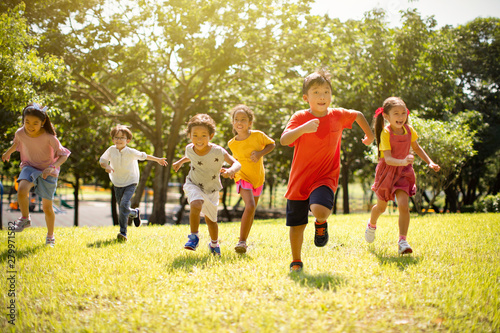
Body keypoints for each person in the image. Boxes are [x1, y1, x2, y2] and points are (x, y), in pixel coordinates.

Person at [280, 69, 375, 272]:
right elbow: (284, 139)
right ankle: (296, 260)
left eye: (326, 91)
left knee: (320, 210)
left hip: (325, 177)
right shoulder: (299, 117)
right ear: (306, 97)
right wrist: (302, 129)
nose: (322, 96)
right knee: (296, 224)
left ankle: (321, 223)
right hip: (299, 180)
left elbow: (357, 115)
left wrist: (370, 136)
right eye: (316, 92)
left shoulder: (337, 115)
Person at [365, 97, 440, 254]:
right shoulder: (386, 133)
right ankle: (371, 224)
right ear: (386, 116)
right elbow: (389, 159)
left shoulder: (409, 130)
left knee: (404, 206)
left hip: (403, 173)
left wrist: (430, 162)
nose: (400, 117)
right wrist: (404, 160)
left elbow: (417, 148)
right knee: (381, 207)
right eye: (396, 113)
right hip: (387, 172)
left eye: (403, 113)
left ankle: (402, 241)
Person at [2, 103, 71, 247]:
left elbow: (63, 155)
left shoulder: (49, 137)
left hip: (48, 171)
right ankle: (25, 218)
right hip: (29, 166)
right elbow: (17, 143)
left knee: (47, 207)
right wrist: (9, 152)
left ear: (43, 122)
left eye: (35, 123)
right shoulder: (20, 133)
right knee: (21, 190)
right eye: (27, 122)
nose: (30, 126)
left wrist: (52, 167)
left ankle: (50, 236)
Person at [173, 114, 241, 256]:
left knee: (211, 221)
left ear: (211, 135)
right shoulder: (189, 149)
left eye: (203, 135)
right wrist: (180, 162)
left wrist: (230, 170)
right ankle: (193, 237)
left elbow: (236, 163)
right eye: (195, 135)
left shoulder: (218, 151)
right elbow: (191, 156)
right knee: (196, 203)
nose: (199, 139)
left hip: (211, 188)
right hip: (193, 183)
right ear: (189, 136)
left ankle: (214, 244)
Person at [99, 124, 167, 242]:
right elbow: (102, 161)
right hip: (117, 182)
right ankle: (134, 213)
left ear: (128, 140)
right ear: (113, 139)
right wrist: (107, 166)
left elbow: (144, 156)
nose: (119, 140)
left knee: (123, 204)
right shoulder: (111, 150)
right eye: (116, 137)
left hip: (131, 182)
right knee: (123, 207)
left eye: (122, 138)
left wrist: (158, 160)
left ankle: (123, 232)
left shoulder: (131, 152)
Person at [228, 105, 275, 253]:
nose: (239, 122)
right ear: (233, 122)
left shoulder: (258, 135)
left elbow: (272, 144)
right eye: (236, 119)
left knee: (252, 209)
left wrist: (260, 153)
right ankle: (241, 241)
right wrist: (230, 171)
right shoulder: (232, 143)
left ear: (250, 122)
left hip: (258, 177)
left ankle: (244, 242)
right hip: (242, 176)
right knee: (249, 205)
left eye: (243, 119)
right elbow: (234, 160)